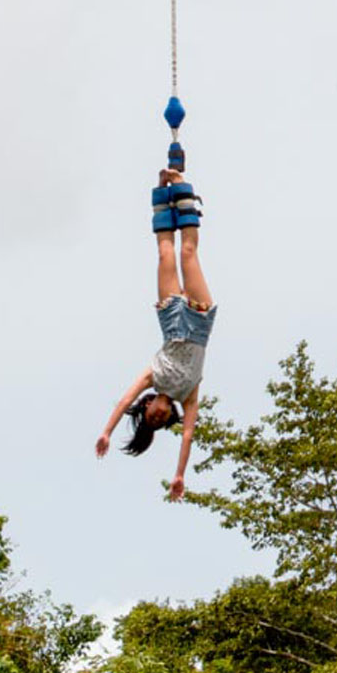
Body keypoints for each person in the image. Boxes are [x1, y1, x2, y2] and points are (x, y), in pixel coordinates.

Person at [94, 168, 215, 500]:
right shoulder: (188, 396)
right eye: (162, 422)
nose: (159, 417)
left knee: (165, 253)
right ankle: (184, 190)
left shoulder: (151, 379)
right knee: (188, 253)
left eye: (152, 418)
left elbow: (123, 400)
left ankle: (162, 194)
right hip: (199, 321)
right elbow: (189, 435)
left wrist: (107, 432)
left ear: (147, 407)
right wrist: (179, 475)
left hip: (172, 320)